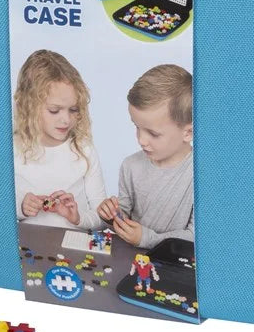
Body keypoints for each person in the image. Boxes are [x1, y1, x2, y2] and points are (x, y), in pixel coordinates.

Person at [98, 64, 194, 247]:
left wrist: (147, 239)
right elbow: (124, 213)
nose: (141, 140)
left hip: (173, 262)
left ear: (188, 132)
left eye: (153, 133)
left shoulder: (200, 176)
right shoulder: (130, 166)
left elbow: (196, 237)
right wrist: (112, 215)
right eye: (137, 127)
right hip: (129, 258)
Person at [13, 50, 106, 230]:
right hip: (28, 243)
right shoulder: (13, 149)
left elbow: (101, 218)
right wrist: (22, 207)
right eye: (54, 110)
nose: (66, 120)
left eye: (73, 110)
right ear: (29, 106)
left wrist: (77, 217)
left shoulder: (83, 150)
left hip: (74, 241)